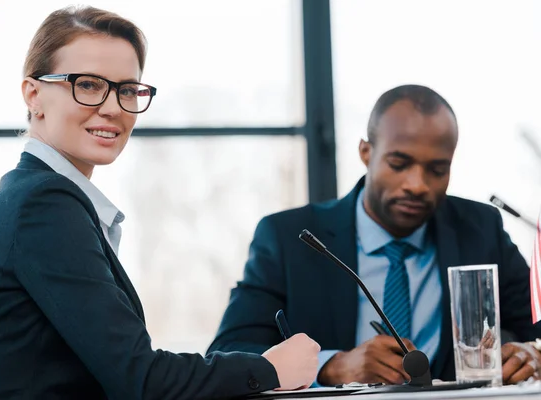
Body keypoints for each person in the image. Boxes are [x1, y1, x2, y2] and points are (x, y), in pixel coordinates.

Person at [0, 6, 320, 399]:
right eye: (88, 84)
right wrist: (268, 369)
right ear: (34, 95)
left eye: (127, 89)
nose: (113, 107)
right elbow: (141, 378)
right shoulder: (42, 203)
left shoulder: (35, 195)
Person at [207, 84, 541, 386]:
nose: (417, 184)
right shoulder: (289, 237)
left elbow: (535, 329)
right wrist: (331, 366)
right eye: (399, 163)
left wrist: (531, 354)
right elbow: (229, 350)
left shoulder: (479, 228)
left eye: (437, 170)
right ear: (366, 152)